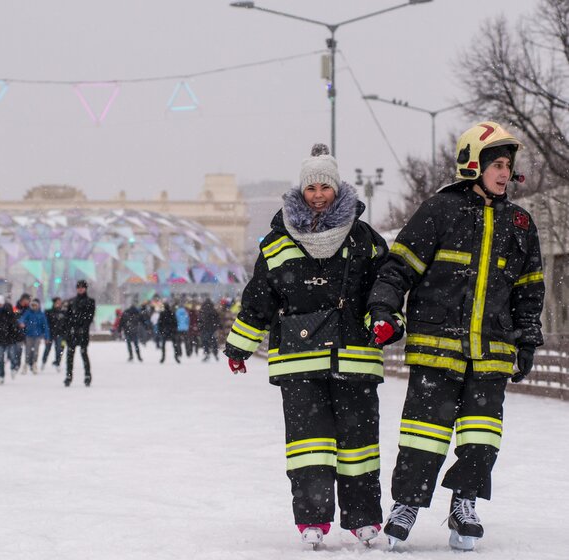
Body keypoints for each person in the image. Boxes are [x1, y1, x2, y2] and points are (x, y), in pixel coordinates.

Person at [367, 122, 545, 551]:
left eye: (507, 166)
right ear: (473, 165)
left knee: (481, 438)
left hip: (492, 352)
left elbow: (529, 290)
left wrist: (526, 339)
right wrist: (384, 309)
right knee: (422, 436)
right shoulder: (439, 211)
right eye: (496, 164)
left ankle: (465, 503)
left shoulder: (520, 223)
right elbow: (398, 268)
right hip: (437, 350)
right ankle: (406, 506)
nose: (504, 173)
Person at [224, 144, 392, 548]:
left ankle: (363, 517)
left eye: (325, 187)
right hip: (299, 361)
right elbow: (260, 297)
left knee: (358, 443)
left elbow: (383, 289)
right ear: (301, 191)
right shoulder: (276, 242)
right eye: (311, 187)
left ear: (337, 189)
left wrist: (384, 319)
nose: (318, 195)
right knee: (308, 446)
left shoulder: (364, 239)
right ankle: (312, 519)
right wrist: (239, 346)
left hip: (354, 355)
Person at [63, 279, 96, 387]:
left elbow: (90, 316)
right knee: (70, 355)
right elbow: (67, 317)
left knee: (83, 353)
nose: (80, 289)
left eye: (82, 287)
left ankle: (87, 375)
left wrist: (83, 327)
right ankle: (68, 376)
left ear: (85, 288)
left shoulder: (90, 301)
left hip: (83, 332)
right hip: (72, 332)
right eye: (78, 287)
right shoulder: (71, 301)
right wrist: (70, 327)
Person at [0, 294, 20, 384]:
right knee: (0, 359)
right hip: (0, 339)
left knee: (12, 355)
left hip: (9, 338)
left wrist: (14, 335)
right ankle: (1, 376)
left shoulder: (9, 311)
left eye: (0, 304)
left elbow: (14, 324)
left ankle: (13, 368)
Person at [18, 298, 50, 374]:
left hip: (38, 336)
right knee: (28, 351)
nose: (34, 307)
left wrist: (46, 337)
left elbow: (45, 326)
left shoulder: (41, 315)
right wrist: (21, 322)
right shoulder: (28, 313)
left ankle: (34, 364)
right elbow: (22, 318)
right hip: (29, 335)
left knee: (36, 351)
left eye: (35, 305)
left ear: (38, 306)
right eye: (32, 305)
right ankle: (26, 364)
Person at [42, 297, 67, 371]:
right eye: (57, 302)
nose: (59, 304)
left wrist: (65, 333)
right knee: (47, 349)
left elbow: (66, 324)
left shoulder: (64, 312)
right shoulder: (48, 312)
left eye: (60, 302)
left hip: (60, 334)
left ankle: (57, 363)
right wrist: (46, 334)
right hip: (50, 334)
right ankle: (43, 362)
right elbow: (45, 323)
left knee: (59, 349)